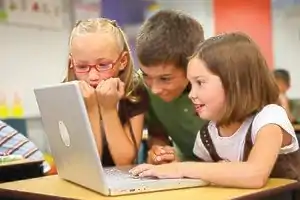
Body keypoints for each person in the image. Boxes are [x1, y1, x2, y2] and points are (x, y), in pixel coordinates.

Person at [130, 32, 300, 188]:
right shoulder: (208, 135)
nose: (191, 95)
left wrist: (182, 168)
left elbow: (255, 175)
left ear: (234, 83)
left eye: (200, 83)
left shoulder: (269, 118)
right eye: (192, 84)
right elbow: (207, 177)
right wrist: (174, 165)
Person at [65, 18, 149, 166]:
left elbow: (124, 161)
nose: (92, 77)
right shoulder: (65, 94)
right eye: (82, 66)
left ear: (122, 61)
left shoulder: (134, 91)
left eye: (103, 65)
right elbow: (87, 165)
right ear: (71, 63)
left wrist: (108, 109)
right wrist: (91, 110)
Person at [136, 10, 206, 164]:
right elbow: (157, 132)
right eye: (146, 74)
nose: (154, 89)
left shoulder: (219, 88)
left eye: (165, 78)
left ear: (192, 66)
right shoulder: (142, 87)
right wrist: (159, 151)